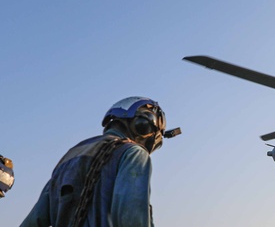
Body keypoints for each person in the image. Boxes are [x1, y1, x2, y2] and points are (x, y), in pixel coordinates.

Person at [21, 96, 177, 227]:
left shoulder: (69, 157)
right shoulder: (133, 153)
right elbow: (132, 217)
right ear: (144, 128)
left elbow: (33, 222)